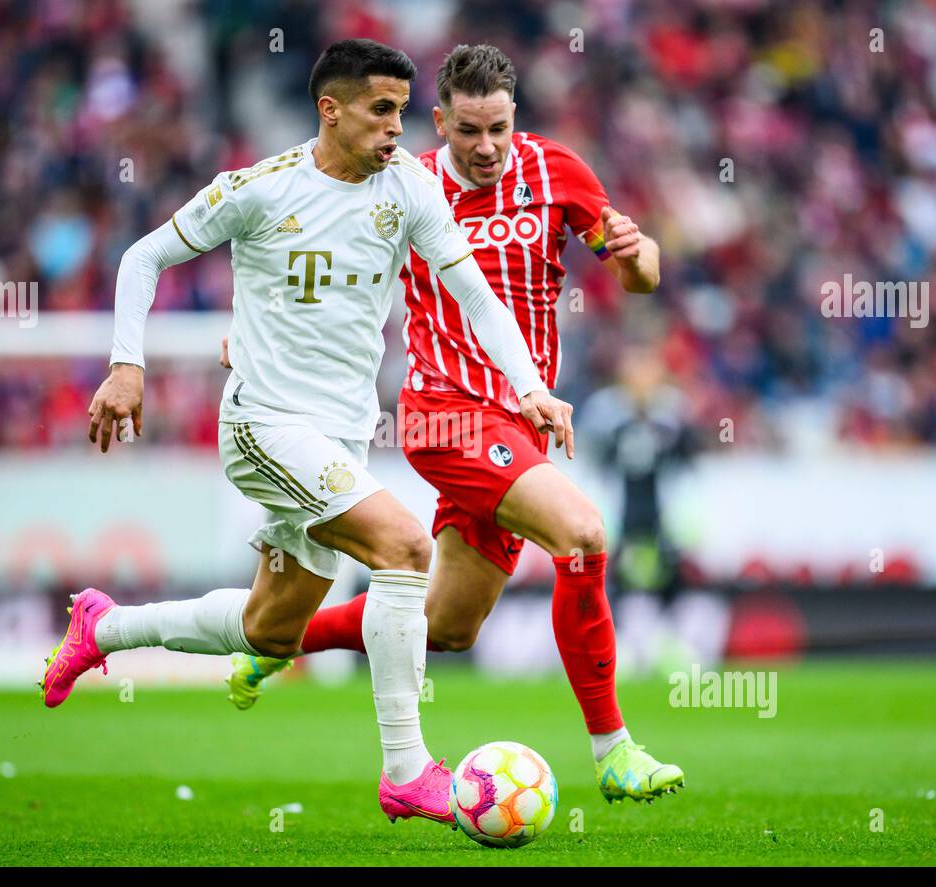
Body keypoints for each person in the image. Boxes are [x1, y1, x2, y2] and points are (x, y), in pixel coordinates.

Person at [39, 39, 573, 826]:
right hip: (263, 427)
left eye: (401, 110)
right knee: (406, 549)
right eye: (381, 110)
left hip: (340, 440)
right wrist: (127, 366)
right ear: (332, 110)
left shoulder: (411, 191)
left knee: (273, 629)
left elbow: (477, 297)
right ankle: (406, 769)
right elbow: (142, 257)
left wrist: (530, 388)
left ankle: (105, 626)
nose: (398, 128)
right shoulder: (261, 189)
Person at [227, 44, 684, 806]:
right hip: (443, 415)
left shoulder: (559, 173)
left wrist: (640, 257)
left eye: (498, 129)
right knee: (583, 535)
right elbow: (312, 257)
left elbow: (640, 276)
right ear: (438, 122)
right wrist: (256, 330)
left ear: (515, 119)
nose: (485, 148)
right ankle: (613, 751)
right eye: (467, 131)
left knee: (445, 627)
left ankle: (280, 641)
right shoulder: (402, 184)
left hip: (518, 427)